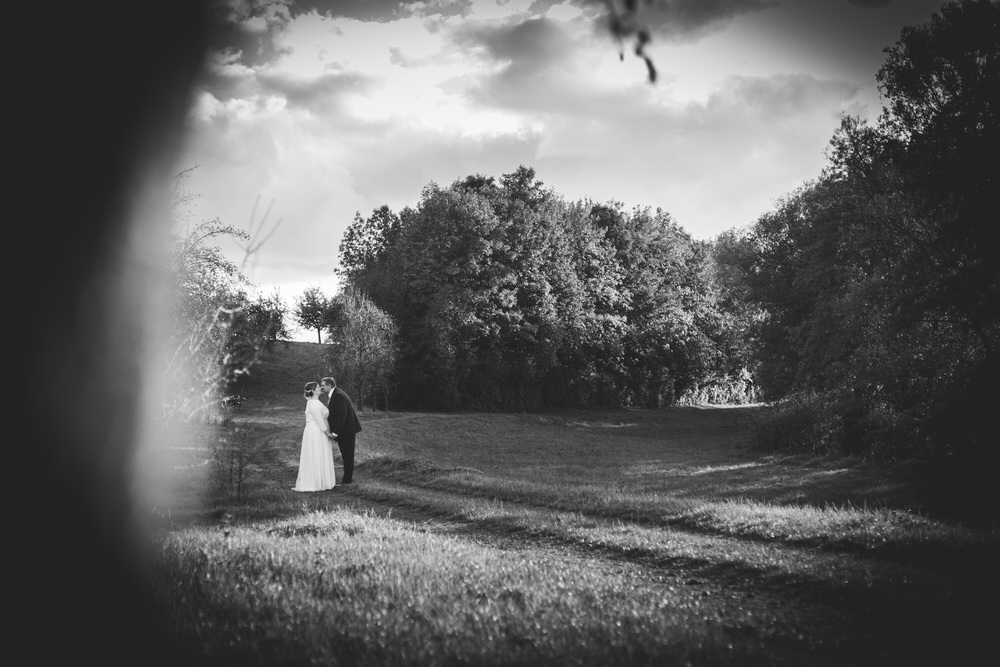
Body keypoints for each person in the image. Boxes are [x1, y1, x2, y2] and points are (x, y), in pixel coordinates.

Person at [293, 381, 338, 492]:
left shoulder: (316, 402)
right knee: (316, 453)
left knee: (320, 454)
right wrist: (327, 433)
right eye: (318, 387)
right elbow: (319, 420)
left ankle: (323, 481)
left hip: (318, 431)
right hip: (316, 432)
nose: (320, 388)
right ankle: (315, 482)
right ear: (312, 390)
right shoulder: (313, 403)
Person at [320, 376, 362, 484]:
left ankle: (347, 479)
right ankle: (347, 478)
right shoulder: (336, 394)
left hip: (347, 430)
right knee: (346, 455)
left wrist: (335, 432)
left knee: (347, 455)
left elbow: (341, 416)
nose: (322, 387)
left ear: (329, 385)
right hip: (345, 430)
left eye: (323, 385)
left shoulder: (338, 395)